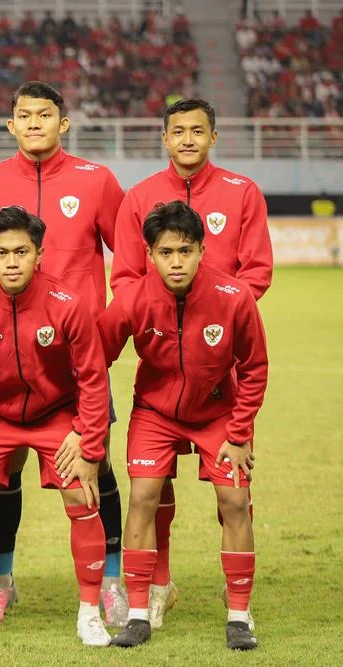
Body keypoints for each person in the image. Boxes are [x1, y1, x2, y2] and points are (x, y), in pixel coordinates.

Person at [0, 81, 127, 627]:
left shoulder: (97, 181)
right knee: (0, 476)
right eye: (24, 116)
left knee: (95, 467)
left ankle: (110, 581)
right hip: (4, 364)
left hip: (77, 362)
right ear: (10, 126)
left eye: (46, 115)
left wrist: (103, 332)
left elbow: (129, 264)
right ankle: (0, 582)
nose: (35, 123)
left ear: (64, 123)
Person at [110, 98, 272, 628]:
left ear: (213, 136)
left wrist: (214, 309)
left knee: (233, 500)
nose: (186, 139)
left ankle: (241, 615)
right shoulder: (139, 197)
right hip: (158, 385)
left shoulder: (241, 192)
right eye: (176, 131)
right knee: (149, 494)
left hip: (214, 372)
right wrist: (162, 309)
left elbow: (257, 272)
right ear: (163, 137)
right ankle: (152, 593)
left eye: (197, 130)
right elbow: (125, 281)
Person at [0, 206, 112, 647]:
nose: (12, 261)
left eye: (22, 251)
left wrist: (88, 442)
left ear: (39, 254)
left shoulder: (66, 303)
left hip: (55, 413)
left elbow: (93, 378)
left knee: (81, 490)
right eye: (2, 252)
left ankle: (90, 612)